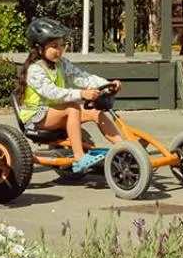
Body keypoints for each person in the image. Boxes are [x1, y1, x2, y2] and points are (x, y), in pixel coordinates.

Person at [17, 18, 123, 175]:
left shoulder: (62, 64)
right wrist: (81, 94)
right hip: (36, 116)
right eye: (54, 46)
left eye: (61, 46)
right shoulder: (35, 70)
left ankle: (124, 149)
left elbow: (83, 77)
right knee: (73, 107)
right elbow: (52, 92)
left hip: (55, 112)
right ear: (39, 48)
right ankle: (80, 158)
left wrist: (107, 84)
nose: (59, 50)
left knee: (96, 112)